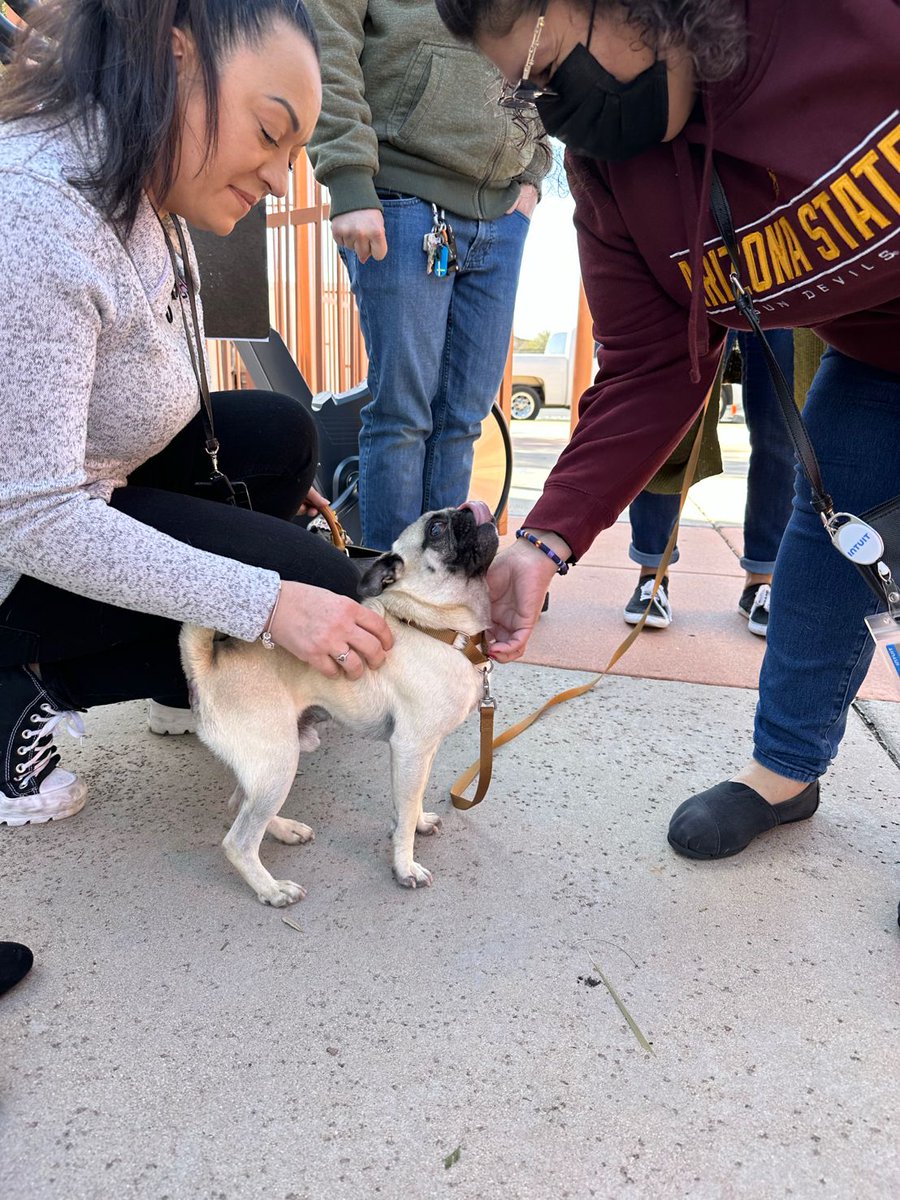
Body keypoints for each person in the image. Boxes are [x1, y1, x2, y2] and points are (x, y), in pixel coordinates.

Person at [435, 0, 900, 876]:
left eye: (548, 64)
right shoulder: (613, 182)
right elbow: (652, 365)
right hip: (880, 358)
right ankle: (785, 774)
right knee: (821, 559)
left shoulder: (845, 26)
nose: (557, 107)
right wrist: (543, 541)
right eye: (524, 92)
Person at [0, 0, 393, 829]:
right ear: (177, 63)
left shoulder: (142, 186)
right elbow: (28, 516)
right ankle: (22, 684)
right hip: (21, 540)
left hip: (91, 486)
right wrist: (264, 601)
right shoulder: (34, 215)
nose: (281, 177)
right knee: (311, 590)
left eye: (296, 152)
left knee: (282, 438)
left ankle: (176, 671)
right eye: (269, 132)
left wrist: (255, 512)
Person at [304, 0, 552, 550]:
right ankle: (388, 601)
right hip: (402, 193)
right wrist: (347, 175)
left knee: (462, 421)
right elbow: (327, 32)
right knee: (402, 414)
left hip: (502, 210)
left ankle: (438, 590)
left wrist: (532, 177)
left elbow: (547, 47)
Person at [624, 329, 796, 637]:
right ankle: (652, 575)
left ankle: (762, 581)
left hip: (781, 287)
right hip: (707, 284)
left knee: (780, 432)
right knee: (671, 420)